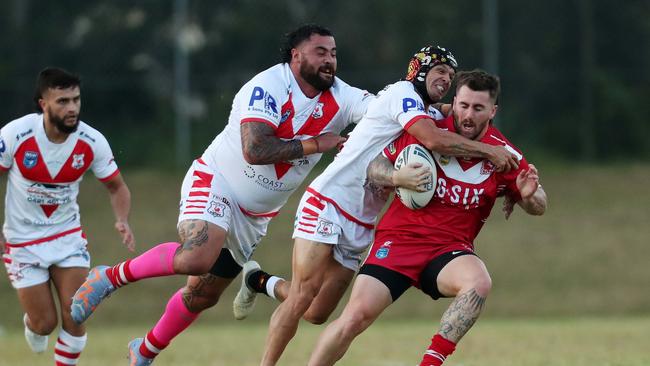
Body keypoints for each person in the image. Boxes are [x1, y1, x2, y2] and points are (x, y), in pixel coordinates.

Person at [69, 24, 375, 365]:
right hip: (218, 182)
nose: (329, 61)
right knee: (196, 257)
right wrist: (318, 143)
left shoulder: (343, 97)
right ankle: (110, 276)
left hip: (256, 216)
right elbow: (255, 149)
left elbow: (383, 113)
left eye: (333, 53)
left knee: (201, 295)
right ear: (296, 55)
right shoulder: (268, 86)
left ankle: (144, 350)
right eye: (320, 52)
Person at [234, 46, 521, 366]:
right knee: (302, 296)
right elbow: (436, 141)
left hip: (363, 220)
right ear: (419, 69)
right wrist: (489, 152)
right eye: (440, 71)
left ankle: (258, 281)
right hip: (330, 201)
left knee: (317, 312)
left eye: (451, 76)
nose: (446, 79)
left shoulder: (429, 109)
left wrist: (504, 183)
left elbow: (457, 115)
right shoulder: (404, 95)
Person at [306, 69, 548, 366]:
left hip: (449, 250)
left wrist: (528, 194)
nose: (468, 115)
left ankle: (430, 363)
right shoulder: (428, 130)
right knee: (354, 318)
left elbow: (539, 205)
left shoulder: (503, 152)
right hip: (399, 242)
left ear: (493, 111)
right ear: (454, 101)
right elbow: (374, 166)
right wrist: (396, 177)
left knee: (478, 282)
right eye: (463, 105)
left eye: (478, 108)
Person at [0, 67, 135, 366]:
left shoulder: (92, 141)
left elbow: (117, 187)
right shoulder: (15, 135)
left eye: (75, 99)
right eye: (62, 101)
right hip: (21, 242)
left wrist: (122, 219)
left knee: (77, 311)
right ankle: (33, 324)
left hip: (67, 237)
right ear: (43, 104)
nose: (72, 107)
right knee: (45, 323)